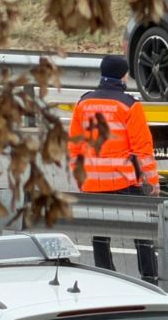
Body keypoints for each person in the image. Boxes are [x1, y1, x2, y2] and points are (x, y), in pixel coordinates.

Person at [68, 54, 160, 282]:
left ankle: (106, 278)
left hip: (93, 181)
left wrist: (79, 178)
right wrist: (152, 182)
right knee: (142, 231)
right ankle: (150, 279)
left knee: (100, 235)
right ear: (124, 76)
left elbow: (74, 146)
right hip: (123, 180)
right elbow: (143, 149)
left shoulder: (83, 103)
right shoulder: (129, 105)